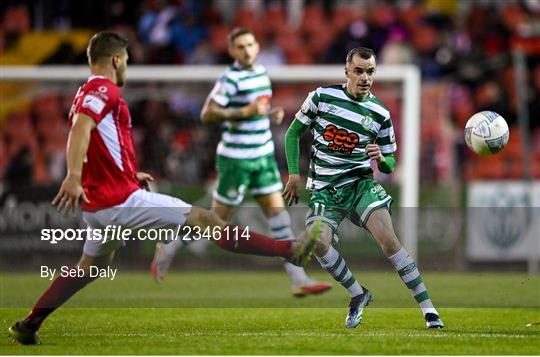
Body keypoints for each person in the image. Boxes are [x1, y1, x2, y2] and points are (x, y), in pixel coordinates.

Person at [8, 32, 318, 345]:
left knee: (89, 269)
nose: (127, 65)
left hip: (102, 204)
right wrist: (73, 175)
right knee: (207, 220)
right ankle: (288, 250)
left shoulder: (86, 91)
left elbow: (98, 141)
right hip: (118, 202)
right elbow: (80, 129)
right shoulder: (103, 88)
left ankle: (30, 323)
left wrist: (128, 173)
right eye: (126, 59)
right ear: (116, 59)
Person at [151, 27, 331, 298]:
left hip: (262, 157)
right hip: (236, 161)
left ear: (257, 47)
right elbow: (208, 113)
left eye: (250, 45)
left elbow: (253, 113)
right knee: (215, 221)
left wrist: (268, 116)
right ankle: (170, 247)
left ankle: (299, 279)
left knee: (278, 215)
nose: (247, 50)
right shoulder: (230, 78)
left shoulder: (260, 74)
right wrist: (246, 111)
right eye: (240, 47)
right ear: (233, 51)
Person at [282, 46, 444, 329]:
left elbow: (391, 163)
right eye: (358, 71)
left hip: (360, 185)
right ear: (347, 72)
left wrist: (383, 159)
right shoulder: (322, 98)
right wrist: (294, 175)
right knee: (316, 241)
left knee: (389, 239)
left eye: (370, 72)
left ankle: (429, 311)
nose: (365, 77)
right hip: (324, 190)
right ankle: (358, 293)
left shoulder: (380, 113)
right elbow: (293, 132)